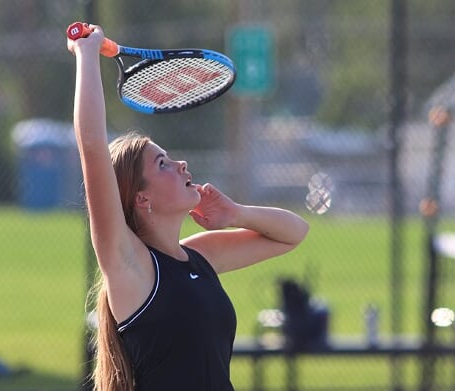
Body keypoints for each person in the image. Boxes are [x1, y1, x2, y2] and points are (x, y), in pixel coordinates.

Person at [68, 24, 309, 391]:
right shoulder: (131, 266)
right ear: (141, 198)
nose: (180, 165)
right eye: (162, 164)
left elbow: (295, 233)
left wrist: (235, 215)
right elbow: (91, 145)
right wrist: (86, 54)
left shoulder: (199, 255)